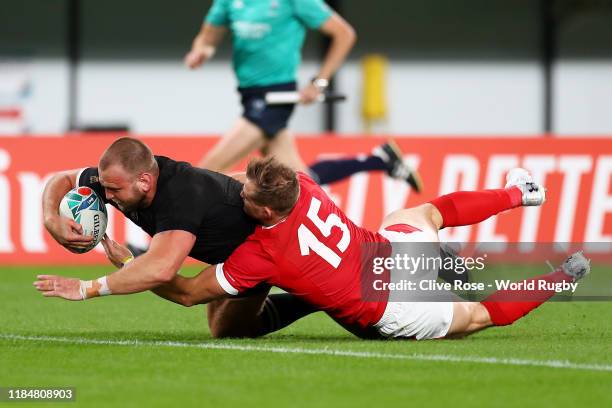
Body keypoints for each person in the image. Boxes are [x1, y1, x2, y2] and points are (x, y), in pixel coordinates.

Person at [37, 157, 591, 340]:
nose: (240, 196)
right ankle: (519, 192)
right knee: (424, 213)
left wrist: (121, 265)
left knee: (479, 316)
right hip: (382, 253)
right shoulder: (301, 181)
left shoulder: (264, 254)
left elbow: (182, 292)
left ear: (267, 212)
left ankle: (565, 275)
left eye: (246, 197)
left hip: (385, 303)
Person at [39, 137, 315, 337]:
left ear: (144, 181)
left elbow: (163, 273)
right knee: (217, 321)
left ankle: (309, 299)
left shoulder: (178, 199)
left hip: (260, 248)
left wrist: (86, 288)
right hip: (224, 254)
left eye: (114, 190)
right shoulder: (121, 181)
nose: (107, 197)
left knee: (229, 329)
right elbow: (63, 179)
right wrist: (52, 219)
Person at [185, 0, 422, 190]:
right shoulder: (227, 2)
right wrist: (201, 51)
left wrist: (319, 82)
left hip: (274, 100)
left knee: (202, 176)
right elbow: (207, 37)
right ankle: (381, 160)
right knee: (302, 184)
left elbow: (344, 34)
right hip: (249, 96)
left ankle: (160, 243)